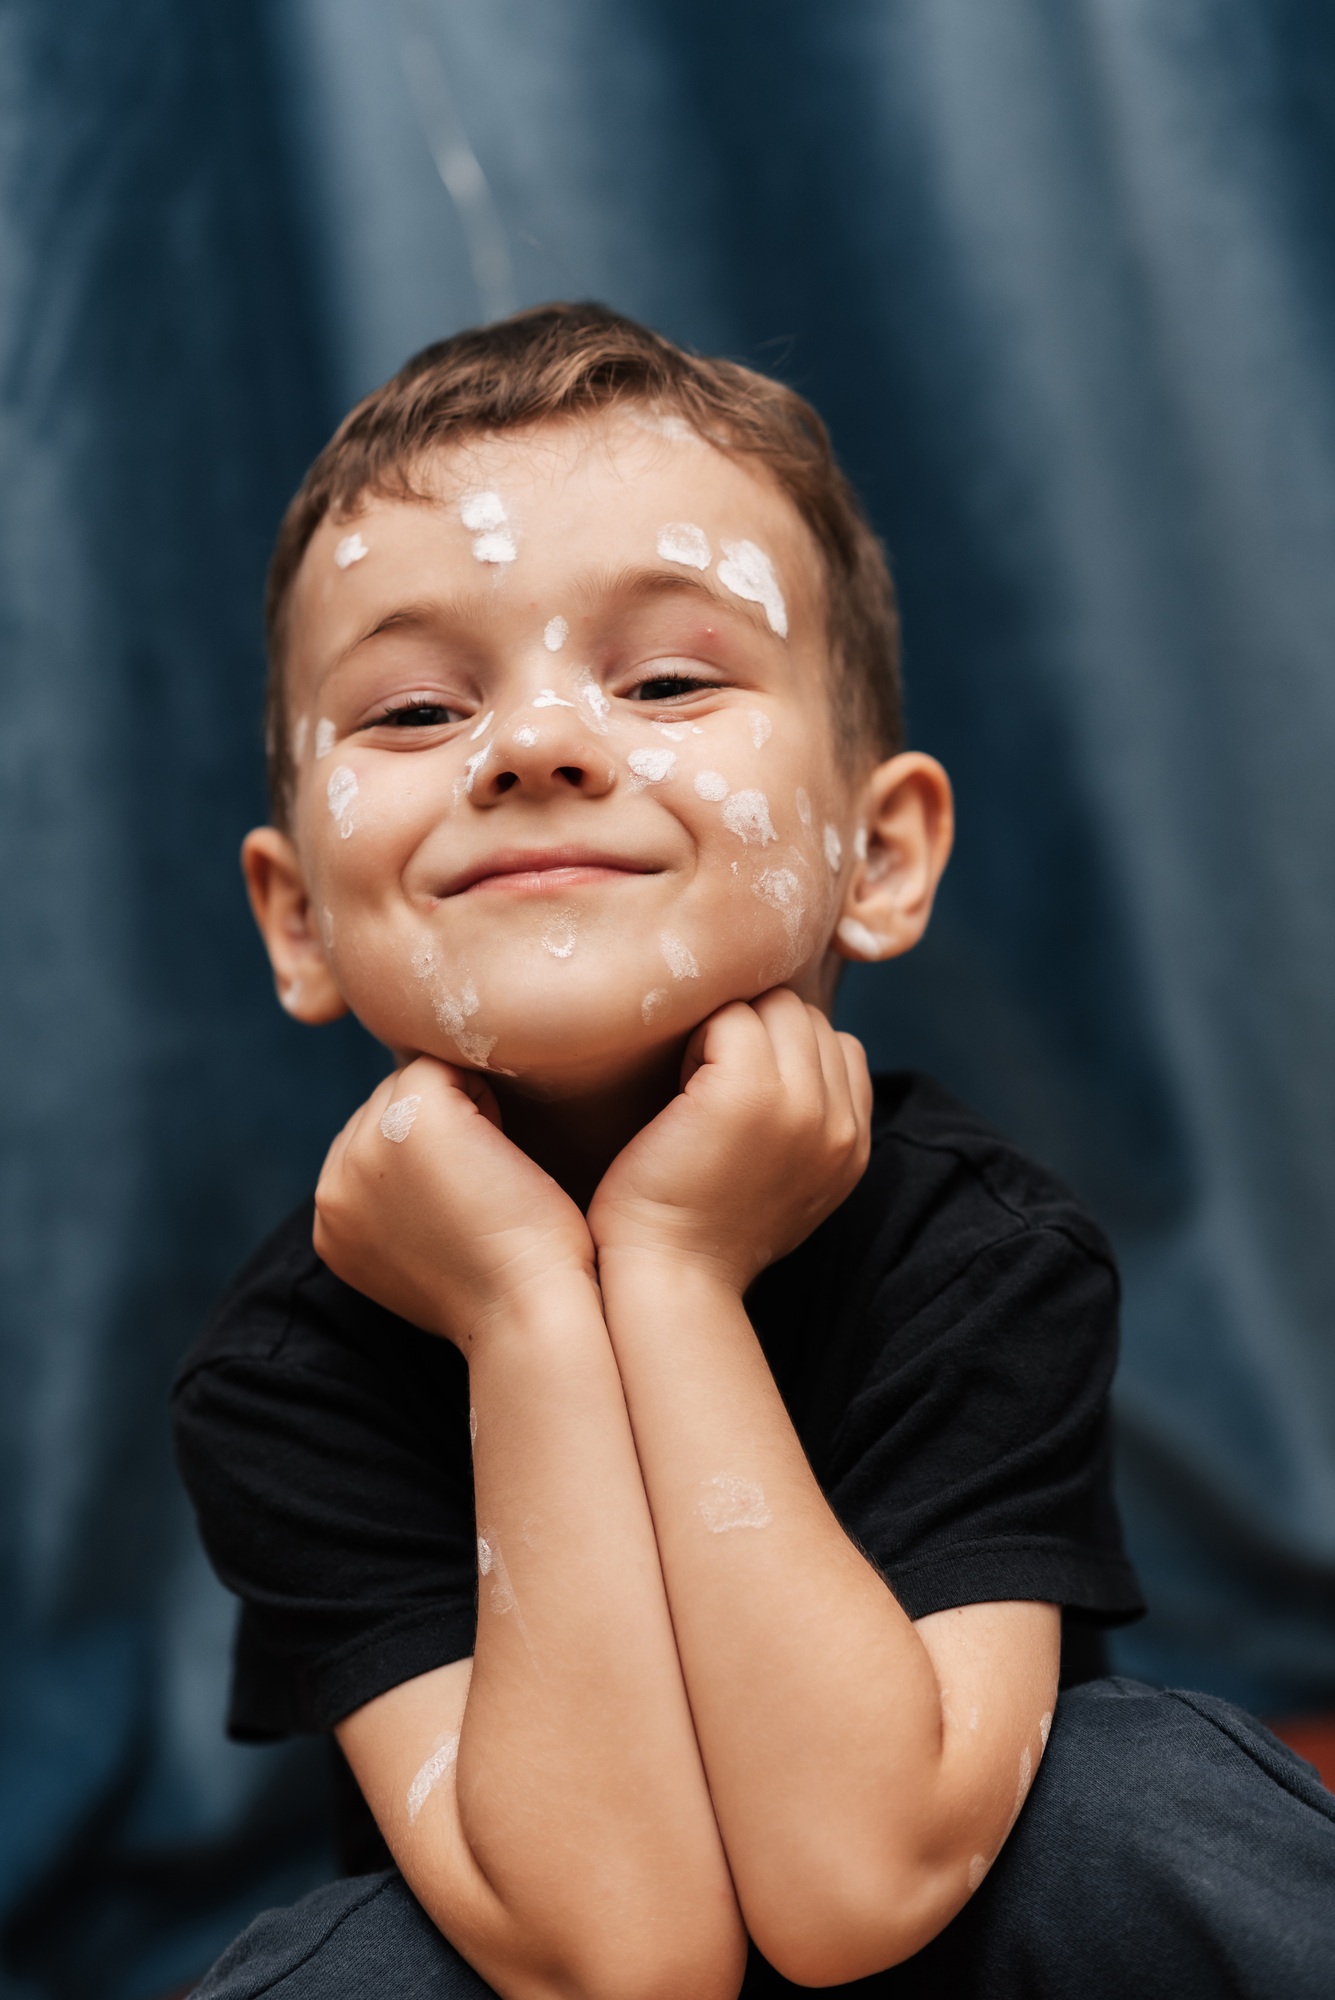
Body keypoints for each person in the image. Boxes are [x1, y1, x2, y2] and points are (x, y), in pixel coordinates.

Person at [173, 303, 1335, 2000]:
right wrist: (519, 1308)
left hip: (956, 1927)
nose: (537, 746)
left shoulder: (982, 1247)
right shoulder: (282, 1379)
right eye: (416, 712)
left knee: (1143, 1809)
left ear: (882, 855)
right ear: (295, 921)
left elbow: (866, 1882)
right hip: (563, 1943)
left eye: (664, 679)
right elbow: (616, 1961)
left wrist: (673, 1267)